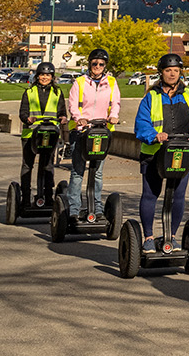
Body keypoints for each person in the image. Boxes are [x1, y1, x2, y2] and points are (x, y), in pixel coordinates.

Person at [135, 53, 189, 250]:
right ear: (161, 72)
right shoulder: (151, 96)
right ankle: (148, 238)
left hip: (181, 153)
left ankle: (172, 236)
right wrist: (153, 135)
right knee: (151, 194)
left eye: (176, 70)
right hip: (154, 153)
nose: (172, 74)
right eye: (168, 70)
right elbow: (141, 123)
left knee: (178, 195)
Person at [66, 47, 121, 227]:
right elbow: (73, 104)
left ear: (105, 66)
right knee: (77, 172)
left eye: (101, 64)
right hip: (81, 131)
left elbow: (116, 103)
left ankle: (97, 209)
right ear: (90, 63)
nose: (97, 66)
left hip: (101, 132)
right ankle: (74, 209)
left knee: (97, 173)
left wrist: (114, 116)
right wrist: (78, 118)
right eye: (95, 63)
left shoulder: (111, 82)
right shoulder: (80, 82)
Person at [18, 60, 65, 210]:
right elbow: (23, 112)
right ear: (37, 76)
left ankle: (48, 198)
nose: (45, 77)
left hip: (49, 133)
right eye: (42, 75)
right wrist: (27, 118)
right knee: (27, 165)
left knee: (48, 165)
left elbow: (61, 111)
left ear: (52, 77)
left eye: (48, 75)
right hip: (31, 133)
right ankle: (26, 198)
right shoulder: (29, 92)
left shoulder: (57, 92)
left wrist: (63, 117)